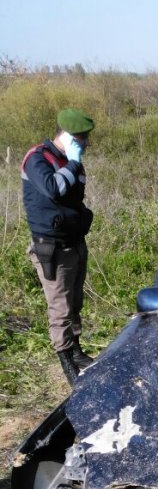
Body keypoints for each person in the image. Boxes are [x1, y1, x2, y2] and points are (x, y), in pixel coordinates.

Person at [21, 108, 96, 386]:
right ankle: (67, 366)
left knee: (75, 302)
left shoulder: (68, 160)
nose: (86, 144)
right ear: (69, 137)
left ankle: (76, 351)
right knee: (61, 308)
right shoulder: (37, 159)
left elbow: (75, 196)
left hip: (74, 243)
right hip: (51, 248)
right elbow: (53, 188)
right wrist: (73, 165)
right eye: (83, 139)